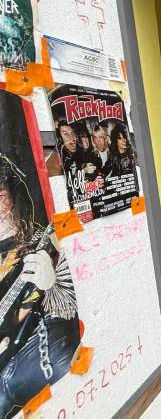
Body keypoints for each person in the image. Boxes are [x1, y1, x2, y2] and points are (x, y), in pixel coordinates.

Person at [0, 155, 79, 418]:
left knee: (61, 352)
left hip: (29, 361)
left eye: (2, 192)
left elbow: (75, 302)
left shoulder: (42, 239)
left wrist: (51, 282)